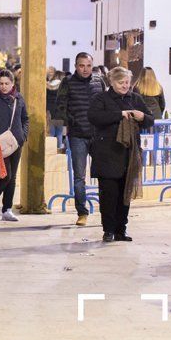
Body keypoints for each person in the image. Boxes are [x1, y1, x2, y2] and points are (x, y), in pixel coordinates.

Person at [88, 66, 154, 243]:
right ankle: (108, 230)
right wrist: (119, 114)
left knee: (125, 195)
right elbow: (94, 117)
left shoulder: (135, 98)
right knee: (109, 195)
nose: (125, 86)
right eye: (121, 82)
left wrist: (142, 117)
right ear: (112, 82)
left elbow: (150, 119)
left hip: (129, 155)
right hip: (107, 154)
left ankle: (120, 230)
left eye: (127, 82)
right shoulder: (101, 98)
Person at [56, 52, 106, 227]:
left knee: (104, 175)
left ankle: (105, 213)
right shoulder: (67, 82)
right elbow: (60, 105)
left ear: (92, 66)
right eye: (81, 65)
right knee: (79, 177)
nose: (85, 69)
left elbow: (106, 103)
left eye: (88, 65)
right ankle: (82, 212)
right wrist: (70, 121)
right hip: (77, 135)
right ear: (76, 66)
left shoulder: (99, 81)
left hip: (98, 135)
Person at [0, 69, 30, 222]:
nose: (3, 86)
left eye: (6, 83)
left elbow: (25, 119)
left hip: (16, 143)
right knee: (5, 175)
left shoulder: (18, 98)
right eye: (1, 83)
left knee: (12, 176)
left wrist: (22, 136)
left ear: (12, 83)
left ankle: (7, 209)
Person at [47, 70, 65, 151]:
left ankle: (50, 150)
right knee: (59, 133)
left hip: (50, 112)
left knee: (51, 133)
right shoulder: (63, 86)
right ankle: (58, 150)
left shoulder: (47, 86)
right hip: (60, 112)